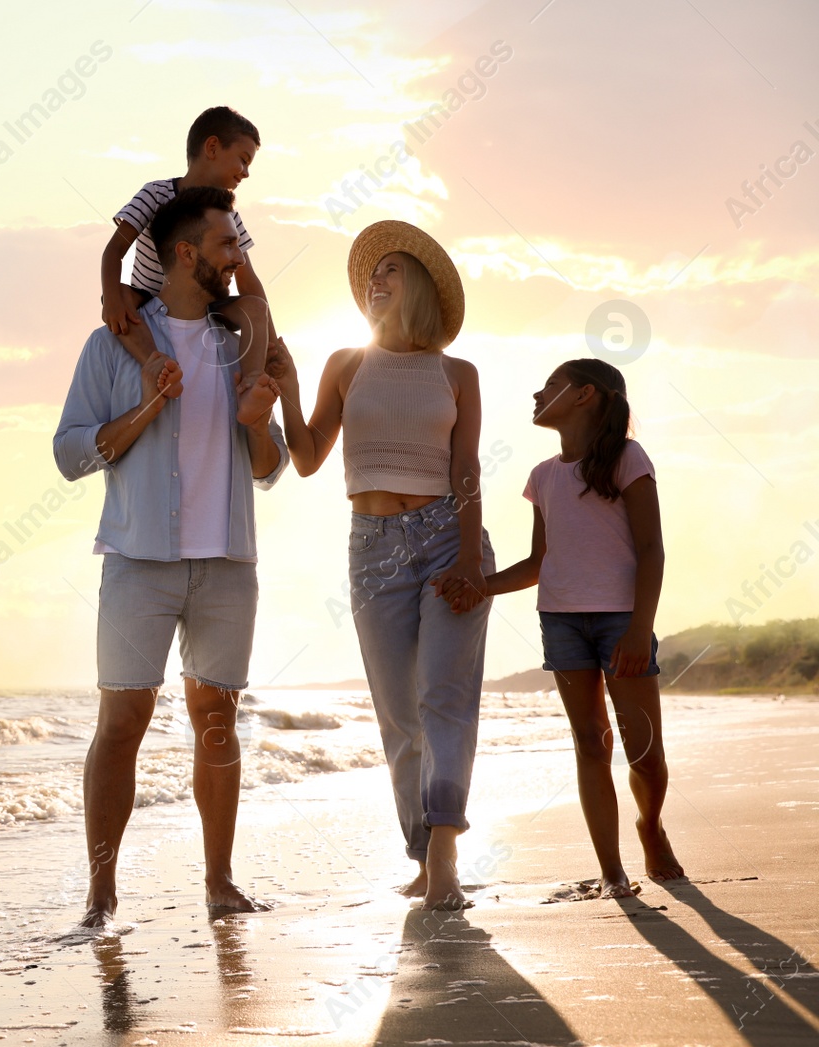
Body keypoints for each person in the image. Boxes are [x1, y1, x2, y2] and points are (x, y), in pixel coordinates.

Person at [54, 185, 289, 928]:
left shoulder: (242, 343)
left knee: (216, 722)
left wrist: (259, 423)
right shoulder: (114, 343)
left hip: (226, 563)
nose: (239, 260)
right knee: (121, 721)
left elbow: (270, 466)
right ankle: (100, 892)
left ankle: (220, 881)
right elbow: (68, 452)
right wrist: (148, 406)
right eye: (228, 245)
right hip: (138, 559)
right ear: (186, 253)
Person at [271, 220, 492, 910]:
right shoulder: (346, 363)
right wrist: (287, 386)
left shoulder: (458, 374)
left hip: (447, 537)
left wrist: (467, 554)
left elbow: (465, 470)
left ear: (419, 286)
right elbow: (306, 458)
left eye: (392, 269)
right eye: (373, 273)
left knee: (444, 699)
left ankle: (446, 856)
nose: (377, 279)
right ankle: (423, 851)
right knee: (399, 712)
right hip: (371, 544)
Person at [462, 358, 685, 897]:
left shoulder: (629, 460)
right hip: (560, 621)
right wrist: (480, 585)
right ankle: (612, 872)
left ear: (586, 395)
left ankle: (650, 826)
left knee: (643, 751)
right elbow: (541, 560)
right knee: (591, 743)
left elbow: (652, 550)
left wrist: (639, 628)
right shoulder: (543, 476)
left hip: (621, 621)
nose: (537, 395)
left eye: (551, 386)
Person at [100, 106, 278, 424]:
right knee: (119, 296)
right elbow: (114, 251)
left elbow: (248, 281)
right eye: (243, 159)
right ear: (211, 148)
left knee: (255, 308)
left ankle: (250, 388)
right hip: (149, 297)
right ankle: (159, 366)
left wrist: (271, 344)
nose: (246, 172)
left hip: (209, 305)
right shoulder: (155, 194)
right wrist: (111, 297)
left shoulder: (228, 215)